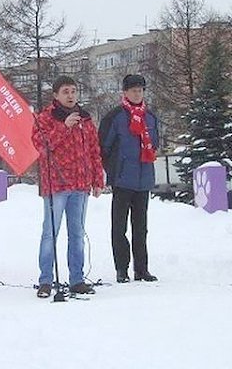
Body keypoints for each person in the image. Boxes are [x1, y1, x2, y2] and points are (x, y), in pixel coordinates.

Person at [32, 76, 104, 298]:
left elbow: (94, 150)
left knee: (77, 234)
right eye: (66, 91)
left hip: (80, 185)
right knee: (50, 233)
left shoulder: (85, 119)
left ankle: (77, 279)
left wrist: (97, 178)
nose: (71, 95)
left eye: (73, 91)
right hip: (57, 184)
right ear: (56, 95)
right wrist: (63, 127)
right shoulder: (44, 118)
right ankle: (46, 279)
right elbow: (41, 145)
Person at [99, 74, 159, 283]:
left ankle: (141, 269)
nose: (137, 93)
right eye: (133, 90)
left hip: (143, 180)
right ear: (124, 93)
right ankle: (122, 269)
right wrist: (113, 171)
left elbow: (155, 144)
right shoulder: (114, 117)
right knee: (119, 227)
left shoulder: (150, 117)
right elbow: (104, 147)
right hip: (122, 180)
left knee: (141, 227)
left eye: (140, 90)